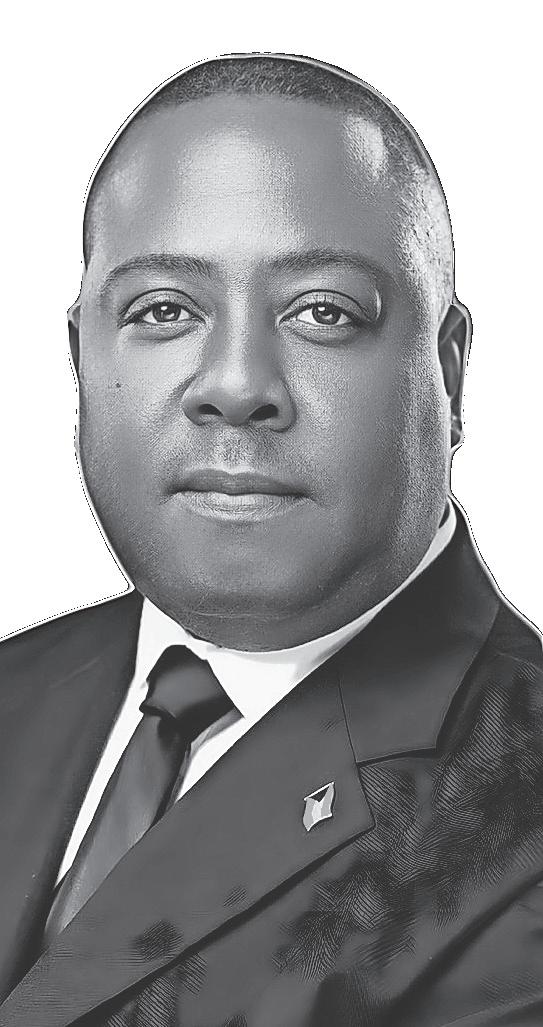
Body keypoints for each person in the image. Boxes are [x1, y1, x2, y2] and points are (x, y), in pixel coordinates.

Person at [0, 53, 541, 1027]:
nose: (236, 383)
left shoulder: (520, 824)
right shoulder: (19, 687)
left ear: (449, 371)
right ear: (80, 356)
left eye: (322, 312)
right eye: (164, 310)